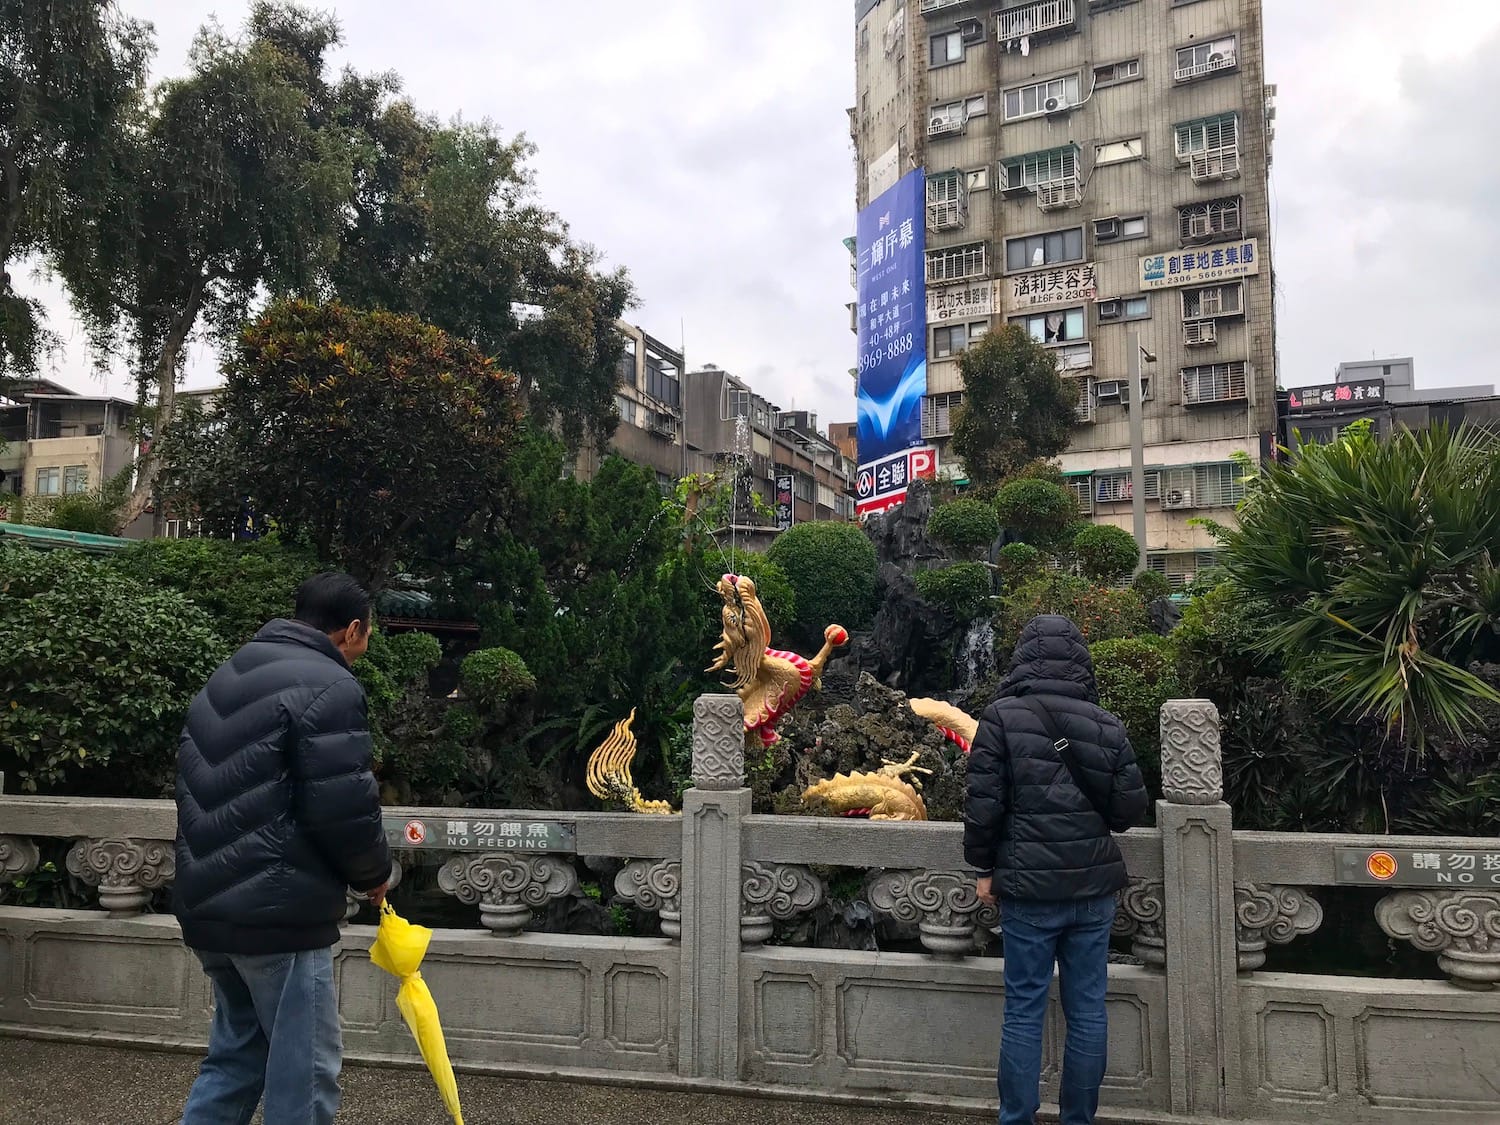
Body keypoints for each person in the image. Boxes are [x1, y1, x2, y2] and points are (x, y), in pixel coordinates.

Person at [174, 573, 393, 1125]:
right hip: (279, 914)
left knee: (235, 1058)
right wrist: (373, 873)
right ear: (352, 630)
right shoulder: (330, 684)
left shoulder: (230, 672)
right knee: (304, 1075)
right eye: (367, 637)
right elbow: (342, 803)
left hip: (208, 907)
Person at [964, 614, 1150, 1125]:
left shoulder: (1000, 717)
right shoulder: (1105, 723)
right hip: (1093, 890)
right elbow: (1129, 811)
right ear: (1081, 662)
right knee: (1088, 1010)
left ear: (1023, 656)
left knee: (1024, 1010)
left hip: (1027, 890)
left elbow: (984, 806)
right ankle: (1077, 1119)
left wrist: (982, 868)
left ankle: (1016, 1118)